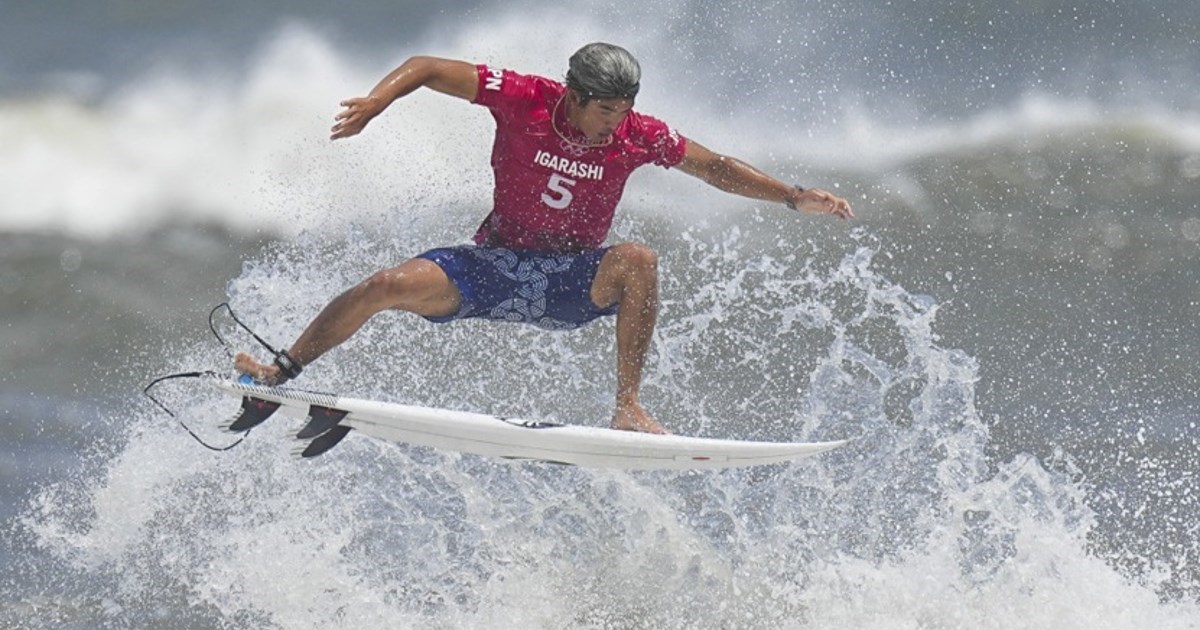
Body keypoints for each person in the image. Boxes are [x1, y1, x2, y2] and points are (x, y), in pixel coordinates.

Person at [235, 42, 853, 434]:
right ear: (575, 96)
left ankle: (628, 407)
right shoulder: (526, 98)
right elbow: (425, 67)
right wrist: (376, 102)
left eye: (626, 108)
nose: (618, 122)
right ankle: (280, 370)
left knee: (638, 259)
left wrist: (793, 197)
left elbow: (714, 166)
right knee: (383, 285)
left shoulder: (640, 134)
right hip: (494, 268)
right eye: (607, 109)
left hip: (570, 281)